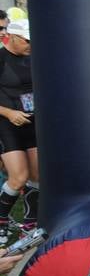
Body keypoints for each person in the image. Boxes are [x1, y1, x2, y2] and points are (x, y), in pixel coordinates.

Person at [0, 19, 38, 234]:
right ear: (12, 36)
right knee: (18, 177)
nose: (30, 45)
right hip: (6, 123)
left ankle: (31, 222)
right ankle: (1, 222)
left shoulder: (32, 57)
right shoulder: (1, 59)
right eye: (26, 40)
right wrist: (9, 113)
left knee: (38, 176)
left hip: (31, 122)